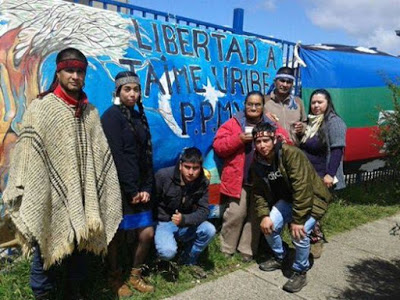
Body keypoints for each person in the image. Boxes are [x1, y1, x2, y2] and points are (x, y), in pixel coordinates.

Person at [3, 48, 122, 299]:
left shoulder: (90, 113)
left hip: (82, 198)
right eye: (70, 70)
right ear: (59, 72)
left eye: (80, 71)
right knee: (44, 253)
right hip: (49, 198)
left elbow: (100, 158)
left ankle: (73, 293)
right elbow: (28, 157)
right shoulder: (42, 109)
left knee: (79, 254)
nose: (76, 76)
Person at [251, 122, 331, 293]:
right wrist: (264, 215)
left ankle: (300, 269)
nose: (262, 145)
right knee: (268, 226)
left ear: (274, 139)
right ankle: (281, 256)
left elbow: (302, 187)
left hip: (312, 199)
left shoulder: (290, 153)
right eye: (258, 142)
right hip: (287, 200)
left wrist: (298, 220)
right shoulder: (257, 163)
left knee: (299, 233)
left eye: (266, 140)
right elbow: (258, 193)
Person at [213, 91, 289, 262]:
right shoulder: (234, 123)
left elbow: (286, 141)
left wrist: (274, 138)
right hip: (239, 179)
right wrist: (238, 139)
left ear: (263, 107)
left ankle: (247, 250)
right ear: (245, 105)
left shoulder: (270, 123)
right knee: (236, 214)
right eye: (250, 104)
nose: (253, 107)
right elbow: (218, 146)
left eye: (257, 104)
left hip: (262, 180)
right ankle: (226, 248)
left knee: (255, 217)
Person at [101, 71, 155, 296]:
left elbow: (146, 155)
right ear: (118, 91)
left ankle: (135, 275)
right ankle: (115, 278)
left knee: (147, 233)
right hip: (119, 188)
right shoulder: (111, 117)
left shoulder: (138, 116)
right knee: (116, 236)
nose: (132, 94)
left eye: (136, 89)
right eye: (127, 89)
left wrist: (146, 188)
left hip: (139, 189)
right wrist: (132, 189)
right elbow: (117, 157)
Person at [154, 147, 216, 279]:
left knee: (209, 230)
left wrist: (185, 219)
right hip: (164, 222)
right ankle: (159, 261)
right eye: (187, 167)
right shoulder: (163, 176)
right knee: (167, 251)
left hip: (186, 222)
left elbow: (204, 210)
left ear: (201, 168)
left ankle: (188, 261)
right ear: (180, 165)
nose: (191, 172)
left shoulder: (203, 181)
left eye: (195, 168)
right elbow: (152, 203)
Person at [299, 89, 347, 258]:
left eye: (320, 102)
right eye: (313, 102)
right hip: (308, 175)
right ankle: (311, 237)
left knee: (314, 210)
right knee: (308, 208)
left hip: (323, 175)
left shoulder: (334, 122)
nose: (316, 105)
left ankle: (316, 241)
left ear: (328, 103)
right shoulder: (312, 122)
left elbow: (337, 151)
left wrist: (329, 174)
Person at [264, 67, 307, 145]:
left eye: (289, 82)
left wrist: (302, 128)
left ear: (292, 84)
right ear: (275, 82)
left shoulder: (298, 102)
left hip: (293, 150)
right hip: (271, 150)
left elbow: (305, 123)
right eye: (282, 81)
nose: (285, 85)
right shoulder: (265, 101)